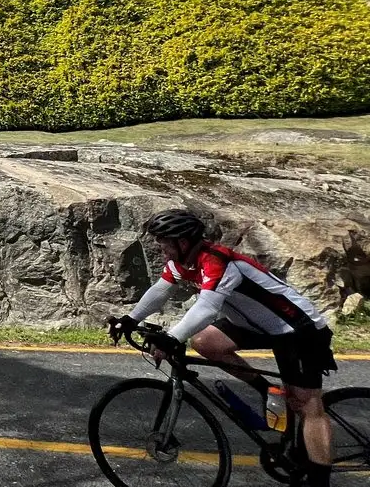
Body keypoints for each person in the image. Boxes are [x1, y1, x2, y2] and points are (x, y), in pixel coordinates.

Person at [108, 209, 338, 487]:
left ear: (183, 242)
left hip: (296, 328)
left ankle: (319, 481)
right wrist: (130, 319)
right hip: (254, 325)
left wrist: (172, 337)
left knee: (306, 404)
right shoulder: (183, 263)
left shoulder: (218, 261)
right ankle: (267, 390)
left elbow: (207, 307)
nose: (161, 247)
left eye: (164, 242)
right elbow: (161, 290)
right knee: (205, 342)